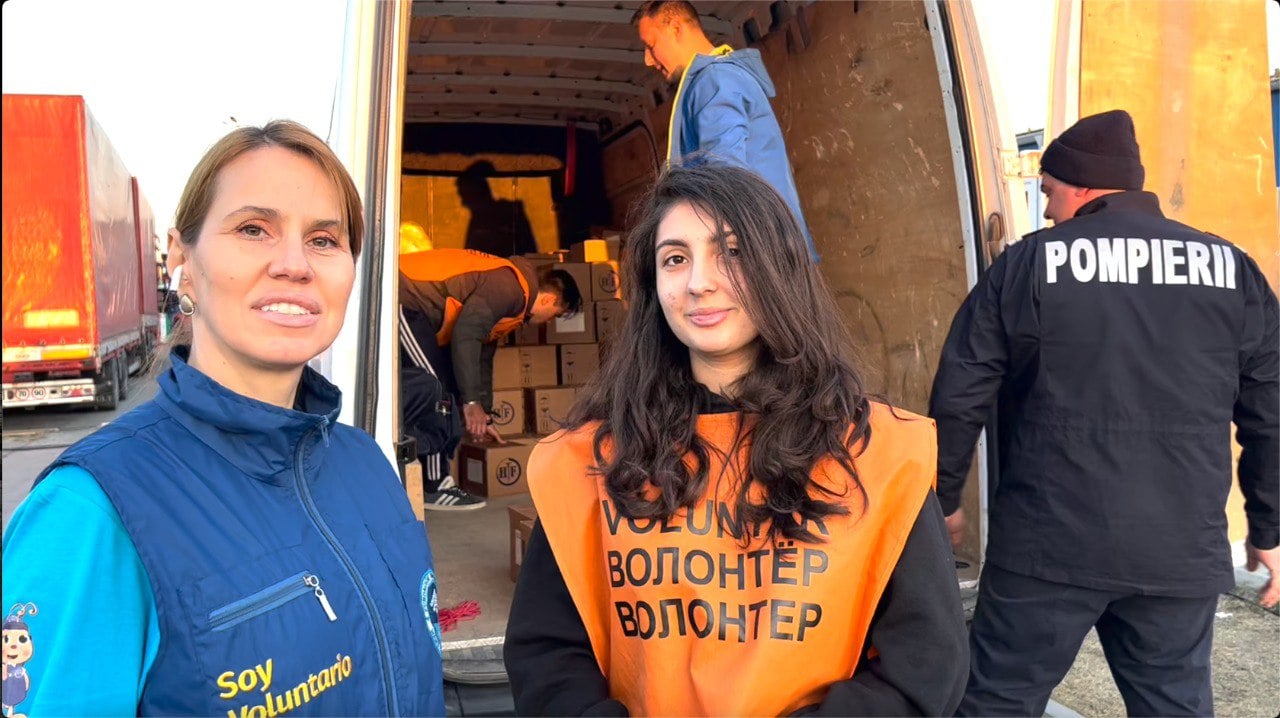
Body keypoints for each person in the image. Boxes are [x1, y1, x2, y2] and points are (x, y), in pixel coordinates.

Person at [0, 120, 446, 715]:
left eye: (323, 239)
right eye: (253, 229)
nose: (295, 264)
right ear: (183, 258)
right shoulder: (92, 512)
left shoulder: (364, 462)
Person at [505, 163, 968, 716]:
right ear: (654, 287)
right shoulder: (589, 460)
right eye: (675, 259)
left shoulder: (879, 454)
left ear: (780, 269)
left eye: (732, 251)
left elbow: (923, 665)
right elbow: (547, 654)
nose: (699, 282)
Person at [929, 109, 1279, 716]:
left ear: (1083, 188)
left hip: (1048, 545)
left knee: (996, 702)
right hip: (1178, 551)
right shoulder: (1233, 269)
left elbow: (961, 391)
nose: (1046, 211)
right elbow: (1270, 412)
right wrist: (1268, 528)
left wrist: (942, 496)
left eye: (1049, 192)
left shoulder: (1030, 264)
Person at [633, 0, 819, 263]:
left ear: (675, 28)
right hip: (766, 247)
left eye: (651, 46)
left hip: (758, 253)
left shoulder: (715, 80)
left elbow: (724, 174)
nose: (648, 60)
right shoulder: (713, 80)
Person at [398, 248, 582, 510]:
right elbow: (466, 335)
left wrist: (484, 414)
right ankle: (433, 485)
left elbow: (482, 356)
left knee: (443, 390)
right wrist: (471, 402)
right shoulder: (509, 288)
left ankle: (432, 477)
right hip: (406, 297)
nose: (549, 322)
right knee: (436, 392)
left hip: (421, 310)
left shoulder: (514, 307)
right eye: (556, 314)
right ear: (549, 300)